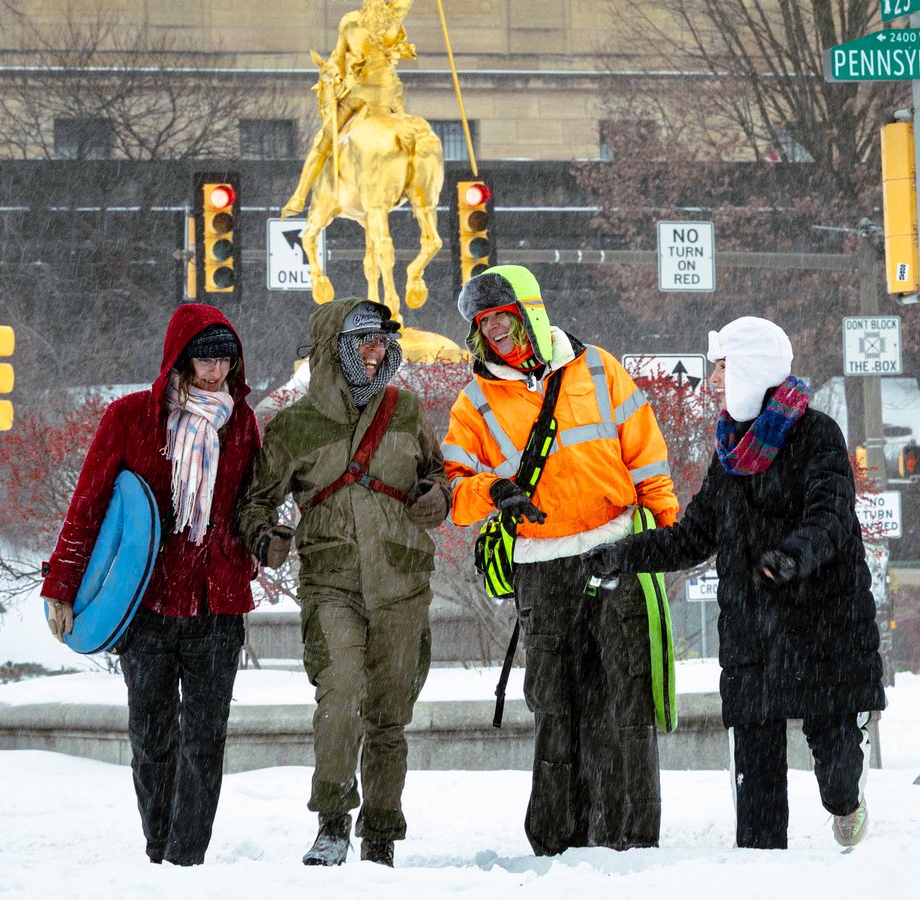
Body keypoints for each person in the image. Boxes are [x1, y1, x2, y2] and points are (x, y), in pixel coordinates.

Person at [581, 315, 887, 850]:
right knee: (758, 806)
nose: (714, 381)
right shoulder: (730, 457)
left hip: (822, 630)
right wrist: (622, 555)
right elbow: (692, 537)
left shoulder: (818, 435)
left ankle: (847, 795)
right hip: (753, 638)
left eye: (722, 368)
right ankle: (760, 874)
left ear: (751, 369)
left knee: (836, 770)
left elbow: (833, 517)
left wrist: (793, 557)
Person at [441, 264, 680, 857]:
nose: (495, 331)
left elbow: (646, 454)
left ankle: (630, 834)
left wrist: (666, 528)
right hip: (541, 566)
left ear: (531, 313)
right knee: (555, 701)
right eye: (484, 324)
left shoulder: (598, 368)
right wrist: (492, 492)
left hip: (614, 549)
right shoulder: (474, 402)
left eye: (504, 318)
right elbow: (454, 492)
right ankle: (557, 839)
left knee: (627, 693)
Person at [41, 303, 260, 866]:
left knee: (205, 739)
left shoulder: (243, 423)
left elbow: (253, 503)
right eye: (205, 359)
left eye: (225, 360)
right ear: (180, 358)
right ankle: (157, 847)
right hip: (148, 604)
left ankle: (187, 858)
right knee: (152, 738)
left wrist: (264, 538)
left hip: (217, 604)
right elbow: (89, 505)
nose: (215, 372)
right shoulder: (130, 418)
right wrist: (61, 586)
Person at [237, 297, 449, 868]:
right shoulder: (294, 425)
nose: (378, 352)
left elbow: (438, 472)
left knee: (390, 711)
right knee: (340, 696)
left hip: (403, 582)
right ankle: (333, 821)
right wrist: (264, 535)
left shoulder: (405, 410)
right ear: (338, 349)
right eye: (365, 342)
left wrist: (438, 495)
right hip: (331, 583)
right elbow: (255, 502)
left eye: (383, 341)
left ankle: (380, 834)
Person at [283, 0, 416, 218]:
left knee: (323, 142)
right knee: (410, 135)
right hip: (389, 96)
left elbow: (338, 58)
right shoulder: (393, 21)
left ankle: (299, 195)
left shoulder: (350, 22)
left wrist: (333, 73)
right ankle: (414, 184)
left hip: (359, 95)